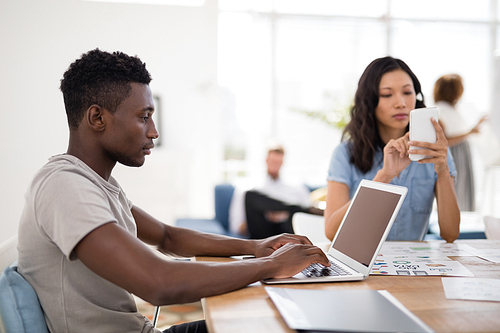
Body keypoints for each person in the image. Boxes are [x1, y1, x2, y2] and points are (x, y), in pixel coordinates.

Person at [16, 49, 329, 333]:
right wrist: (273, 265)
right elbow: (158, 282)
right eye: (144, 117)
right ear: (97, 117)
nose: (154, 131)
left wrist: (257, 246)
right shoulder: (64, 185)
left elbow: (167, 237)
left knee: (269, 320)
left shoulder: (98, 184)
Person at [325, 56, 460, 243]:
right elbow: (332, 232)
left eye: (407, 92)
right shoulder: (344, 154)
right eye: (387, 95)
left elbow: (450, 233)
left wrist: (443, 171)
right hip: (363, 266)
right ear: (369, 101)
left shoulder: (436, 153)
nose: (400, 103)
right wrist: (384, 177)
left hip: (413, 266)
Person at [229, 144, 320, 239]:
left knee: (297, 213)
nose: (275, 165)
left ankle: (291, 209)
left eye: (278, 162)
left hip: (287, 231)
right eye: (272, 161)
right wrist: (266, 215)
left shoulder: (297, 188)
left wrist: (283, 215)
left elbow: (308, 219)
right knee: (250, 195)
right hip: (262, 235)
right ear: (266, 160)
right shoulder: (247, 186)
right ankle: (292, 207)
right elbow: (236, 226)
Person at [433, 74, 487, 211]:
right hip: (453, 155)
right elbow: (444, 140)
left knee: (462, 191)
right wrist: (470, 132)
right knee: (455, 190)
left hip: (460, 155)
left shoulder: (451, 109)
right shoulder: (439, 110)